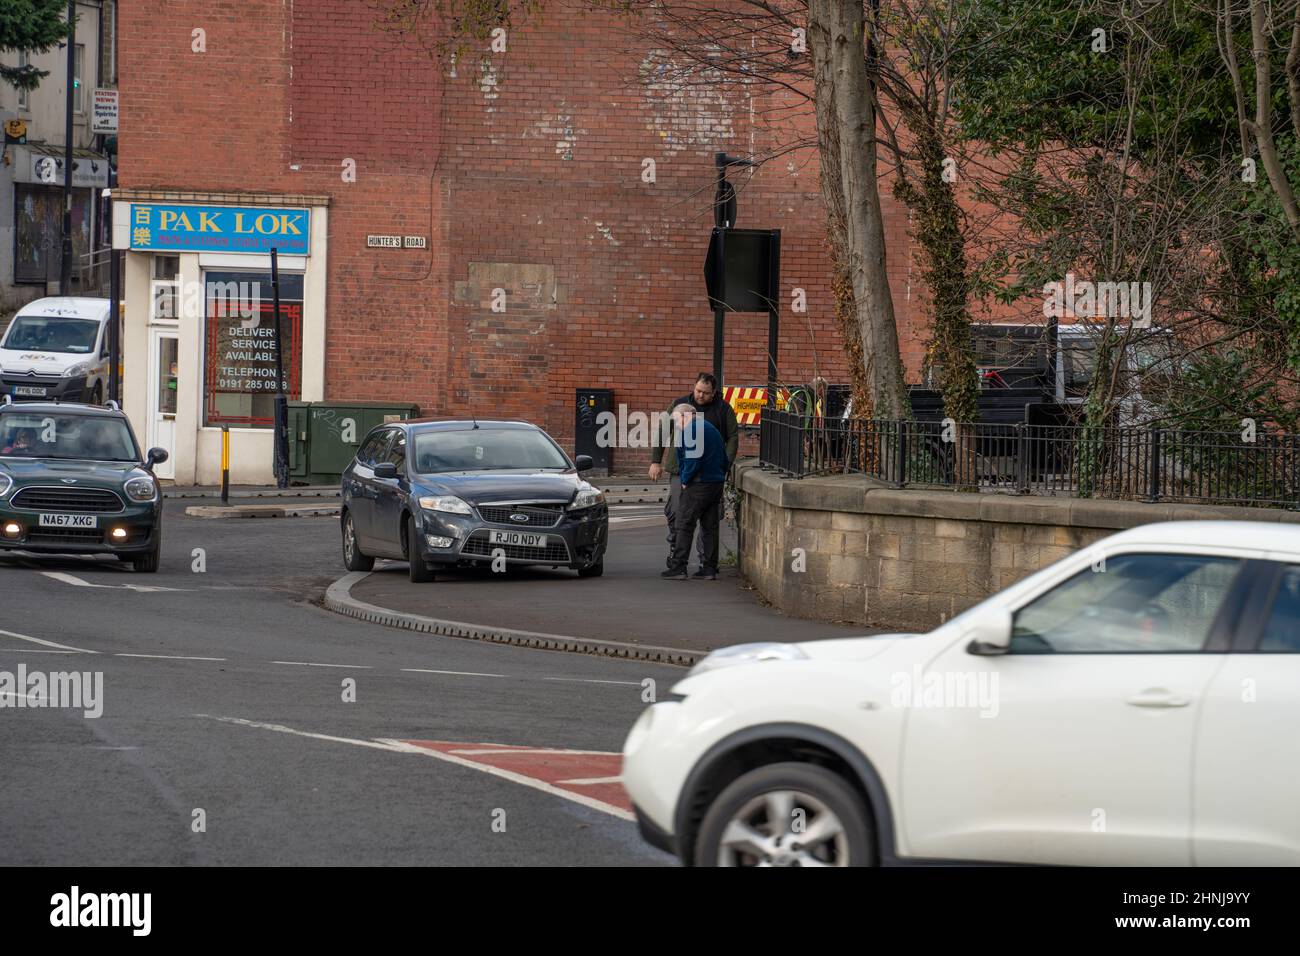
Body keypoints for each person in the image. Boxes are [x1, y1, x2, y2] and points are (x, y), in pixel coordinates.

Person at [648, 372, 738, 574]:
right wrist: (656, 461)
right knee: (686, 516)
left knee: (688, 520)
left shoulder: (721, 410)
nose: (700, 396)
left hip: (697, 475)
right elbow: (663, 431)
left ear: (714, 392)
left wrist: (724, 466)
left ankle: (684, 564)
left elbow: (730, 439)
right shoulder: (680, 405)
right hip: (695, 473)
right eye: (698, 391)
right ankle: (704, 566)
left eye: (706, 393)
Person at [661, 404, 728, 580]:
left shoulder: (692, 430)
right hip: (715, 483)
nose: (677, 425)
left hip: (698, 484)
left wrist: (685, 480)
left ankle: (678, 567)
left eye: (676, 420)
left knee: (684, 523)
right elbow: (724, 457)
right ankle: (709, 569)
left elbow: (692, 458)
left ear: (686, 416)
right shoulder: (711, 428)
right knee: (709, 526)